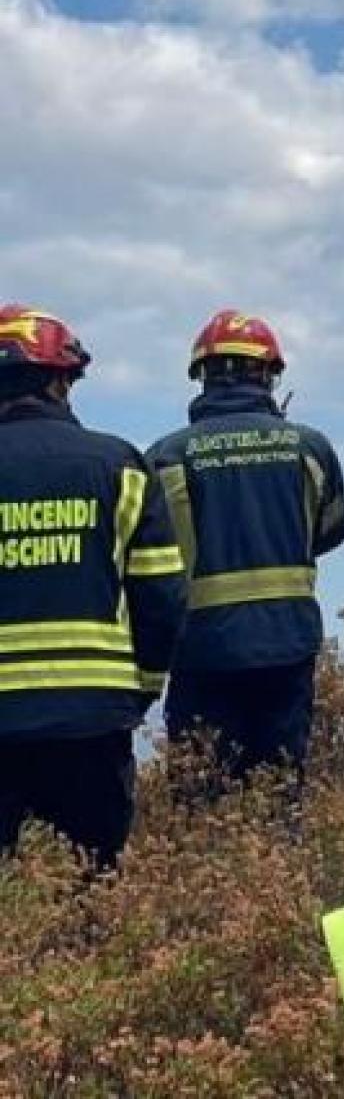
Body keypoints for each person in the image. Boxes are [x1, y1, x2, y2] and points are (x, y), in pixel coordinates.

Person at [0, 306, 187, 868]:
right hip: (92, 716)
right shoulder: (119, 465)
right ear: (61, 382)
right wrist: (141, 690)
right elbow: (161, 597)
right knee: (93, 880)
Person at [147, 311, 344, 785]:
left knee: (200, 790)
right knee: (279, 787)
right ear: (268, 374)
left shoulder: (168, 455)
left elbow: (151, 557)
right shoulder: (310, 448)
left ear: (202, 375)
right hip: (287, 643)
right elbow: (332, 529)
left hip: (200, 648)